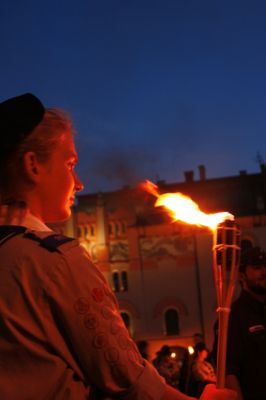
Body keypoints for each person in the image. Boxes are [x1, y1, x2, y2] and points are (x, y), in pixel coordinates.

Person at [0, 92, 237, 400]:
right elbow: (133, 384)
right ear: (33, 165)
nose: (79, 182)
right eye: (70, 163)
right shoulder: (55, 262)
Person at [225, 246, 266, 400]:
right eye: (257, 268)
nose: (264, 272)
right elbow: (229, 371)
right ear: (242, 276)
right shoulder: (234, 316)